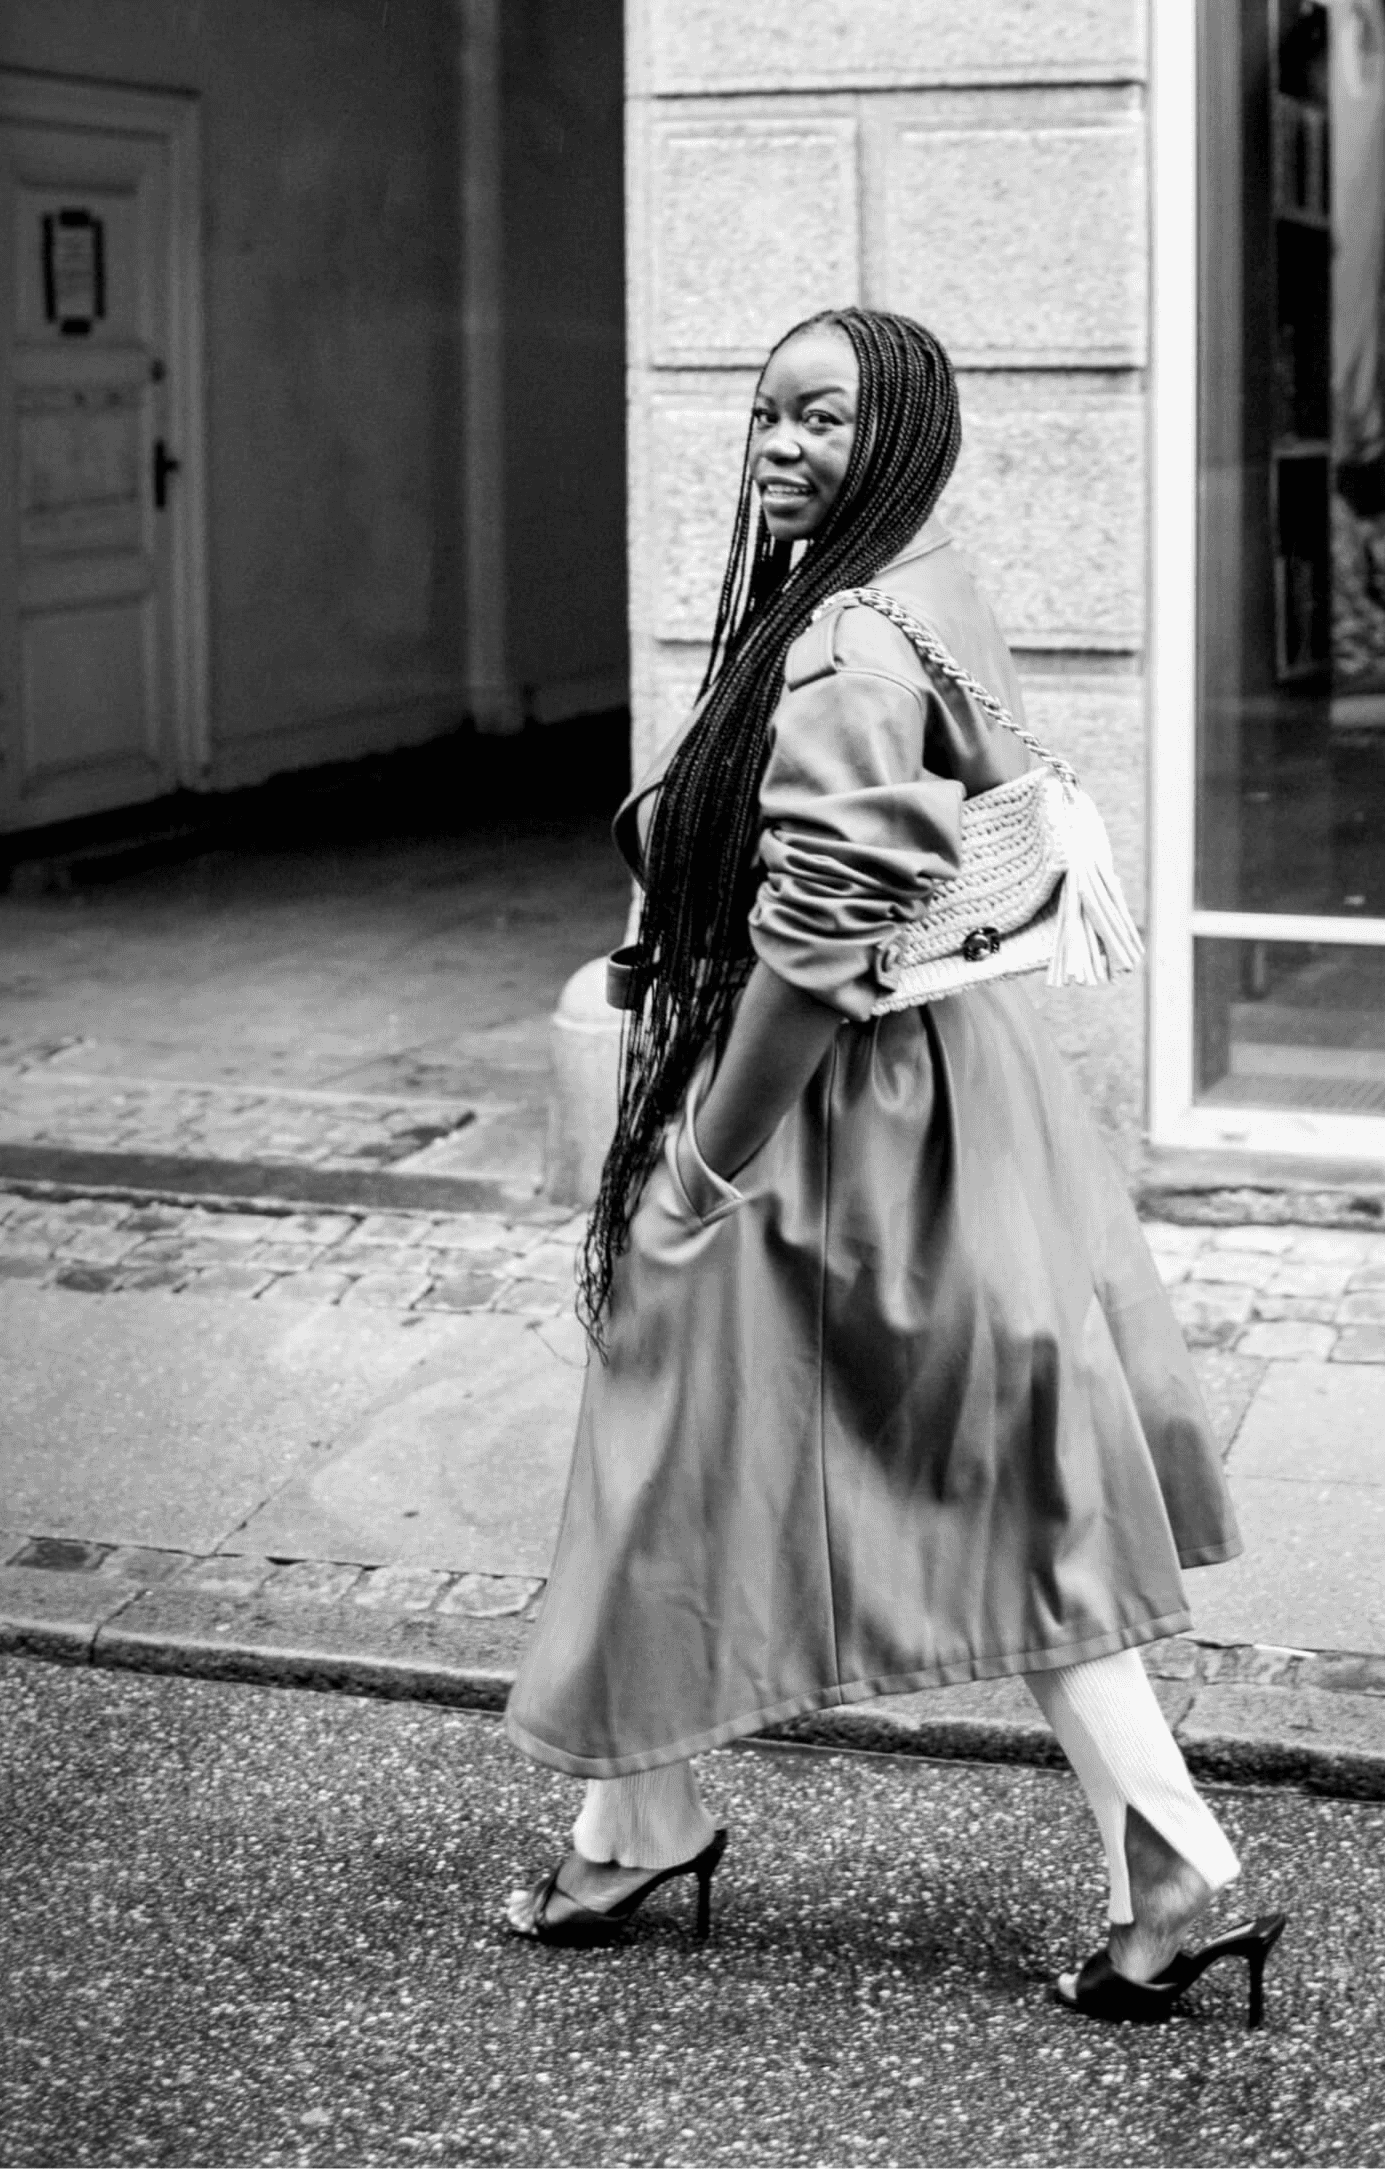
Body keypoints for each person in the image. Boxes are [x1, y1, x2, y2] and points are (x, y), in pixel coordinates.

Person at [499, 306, 1290, 2028]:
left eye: (826, 422)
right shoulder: (916, 582)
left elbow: (813, 943)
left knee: (814, 1467)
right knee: (944, 1469)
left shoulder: (848, 643)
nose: (781, 447)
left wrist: (699, 1172)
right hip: (930, 1101)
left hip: (831, 1130)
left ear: (904, 438)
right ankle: (637, 1818)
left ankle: (1157, 1865)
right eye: (766, 415)